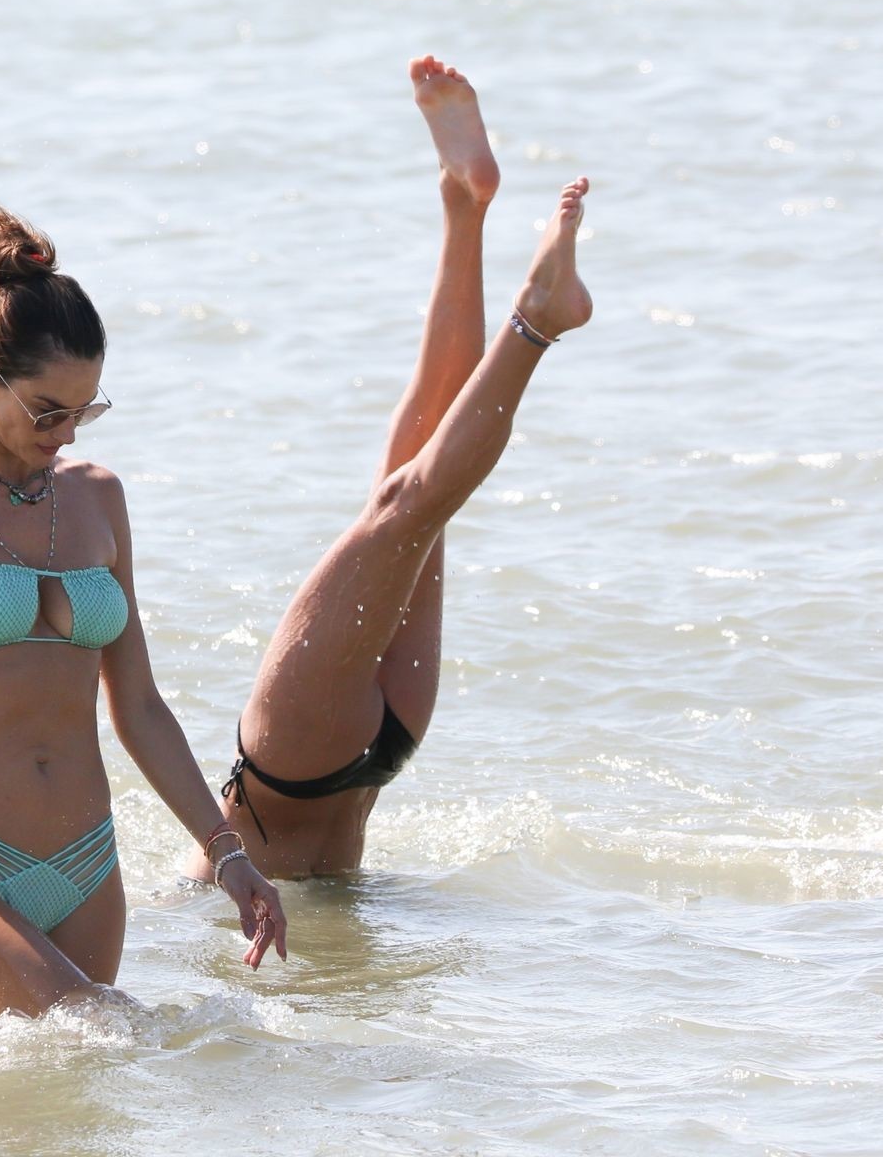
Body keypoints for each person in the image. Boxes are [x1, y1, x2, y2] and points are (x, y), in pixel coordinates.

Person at [0, 208, 287, 1017]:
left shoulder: (98, 497)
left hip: (87, 862)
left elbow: (139, 705)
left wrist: (227, 855)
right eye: (49, 411)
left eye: (84, 412)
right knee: (109, 1030)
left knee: (79, 1086)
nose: (68, 435)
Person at [187, 55, 594, 880]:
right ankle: (534, 322)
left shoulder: (211, 920)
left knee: (411, 492)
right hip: (304, 760)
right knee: (406, 502)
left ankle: (464, 205)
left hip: (375, 754)